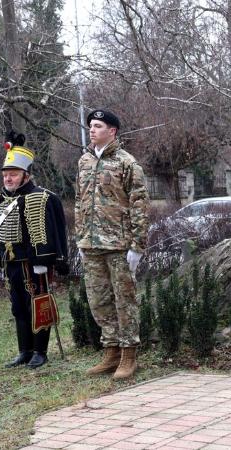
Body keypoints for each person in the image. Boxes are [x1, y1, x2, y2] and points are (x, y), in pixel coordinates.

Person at [0, 131, 69, 369]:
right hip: (11, 263)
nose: (8, 178)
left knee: (38, 303)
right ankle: (24, 351)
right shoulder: (2, 199)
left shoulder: (42, 198)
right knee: (18, 306)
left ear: (26, 175)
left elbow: (50, 231)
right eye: (6, 174)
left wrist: (46, 259)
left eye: (14, 174)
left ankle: (40, 352)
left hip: (34, 263)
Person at [75, 109, 149, 380]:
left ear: (112, 131)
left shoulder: (126, 162)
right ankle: (111, 350)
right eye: (90, 126)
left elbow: (139, 204)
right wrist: (81, 237)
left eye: (97, 126)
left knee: (124, 301)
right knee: (99, 300)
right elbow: (78, 201)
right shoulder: (84, 161)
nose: (91, 130)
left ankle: (129, 354)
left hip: (119, 244)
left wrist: (137, 245)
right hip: (92, 244)